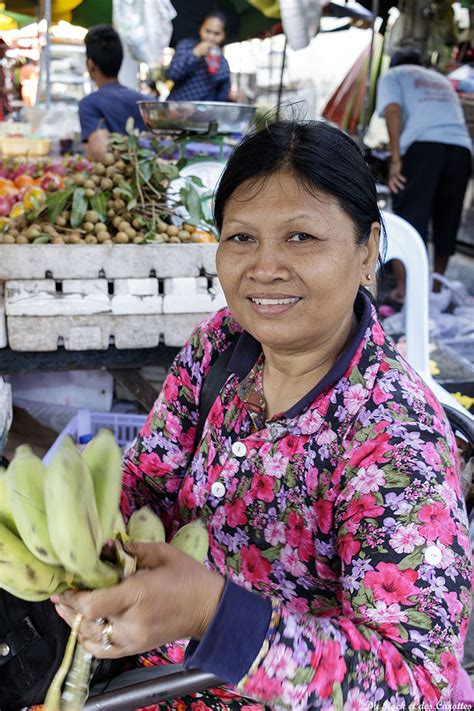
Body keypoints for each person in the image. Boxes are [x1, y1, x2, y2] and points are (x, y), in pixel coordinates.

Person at [54, 120, 471, 710]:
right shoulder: (221, 347)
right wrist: (85, 542)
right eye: (241, 237)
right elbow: (148, 478)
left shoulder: (396, 438)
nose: (265, 267)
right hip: (141, 679)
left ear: (368, 249)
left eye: (301, 237)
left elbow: (414, 684)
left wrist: (211, 614)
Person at [376, 47, 472, 300]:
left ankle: (405, 291)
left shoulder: (393, 75)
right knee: (447, 218)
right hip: (461, 149)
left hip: (424, 148)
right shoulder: (439, 79)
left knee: (410, 216)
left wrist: (395, 160)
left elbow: (393, 110)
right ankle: (437, 288)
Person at [79, 25, 147, 161]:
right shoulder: (147, 102)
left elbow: (102, 154)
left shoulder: (89, 104)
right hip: (149, 179)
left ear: (90, 64)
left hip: (119, 179)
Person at [167, 11, 231, 102]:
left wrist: (232, 96)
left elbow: (221, 97)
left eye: (217, 34)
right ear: (201, 29)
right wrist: (195, 54)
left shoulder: (223, 64)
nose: (211, 38)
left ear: (224, 35)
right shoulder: (186, 46)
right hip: (177, 107)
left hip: (204, 114)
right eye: (208, 31)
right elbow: (172, 75)